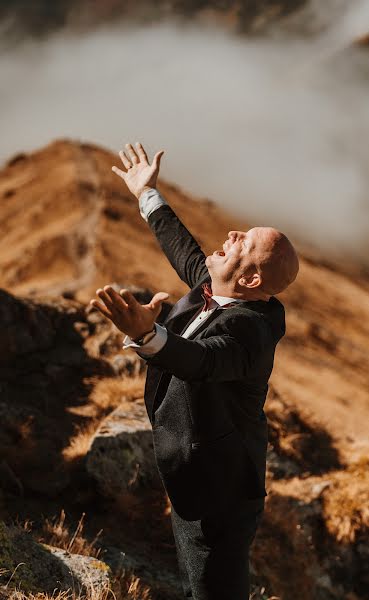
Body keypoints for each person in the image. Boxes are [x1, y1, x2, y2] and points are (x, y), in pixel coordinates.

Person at [90, 142, 299, 600]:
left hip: (220, 490)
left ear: (249, 281)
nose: (231, 234)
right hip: (197, 469)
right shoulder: (221, 287)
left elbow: (202, 361)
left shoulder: (250, 332)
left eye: (243, 242)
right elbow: (183, 248)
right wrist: (147, 193)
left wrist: (149, 337)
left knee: (213, 589)